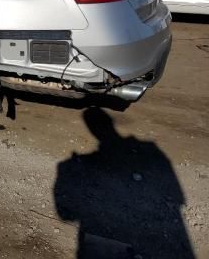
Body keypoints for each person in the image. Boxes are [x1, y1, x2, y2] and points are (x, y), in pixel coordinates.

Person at [54, 107, 195, 259]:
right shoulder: (149, 151)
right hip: (151, 234)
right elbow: (177, 197)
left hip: (105, 236)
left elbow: (65, 214)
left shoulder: (74, 164)